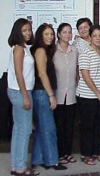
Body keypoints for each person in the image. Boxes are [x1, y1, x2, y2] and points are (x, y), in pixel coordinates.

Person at [30, 23, 67, 170]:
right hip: (42, 93)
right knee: (49, 129)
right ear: (40, 35)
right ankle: (52, 161)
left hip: (43, 93)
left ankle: (37, 159)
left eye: (51, 34)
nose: (50, 37)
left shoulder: (45, 50)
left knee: (41, 128)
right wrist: (51, 95)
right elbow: (42, 74)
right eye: (46, 34)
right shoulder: (40, 51)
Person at [7, 18, 39, 176]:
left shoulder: (24, 47)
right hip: (20, 92)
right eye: (24, 30)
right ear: (17, 32)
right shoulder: (19, 48)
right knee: (25, 130)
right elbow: (19, 73)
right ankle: (20, 167)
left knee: (18, 129)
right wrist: (25, 96)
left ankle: (16, 165)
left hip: (20, 91)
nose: (28, 33)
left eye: (29, 30)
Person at [76, 24, 100, 165]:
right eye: (94, 36)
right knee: (87, 126)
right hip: (86, 96)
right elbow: (85, 75)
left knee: (99, 125)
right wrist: (98, 94)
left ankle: (97, 152)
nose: (97, 38)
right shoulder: (85, 53)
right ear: (89, 37)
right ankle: (86, 154)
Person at [53, 23, 78, 165]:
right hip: (57, 94)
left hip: (72, 94)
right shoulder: (53, 51)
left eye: (69, 32)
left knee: (69, 126)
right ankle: (58, 154)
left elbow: (76, 72)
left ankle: (67, 153)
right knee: (58, 126)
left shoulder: (74, 50)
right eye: (64, 32)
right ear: (59, 34)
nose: (67, 35)